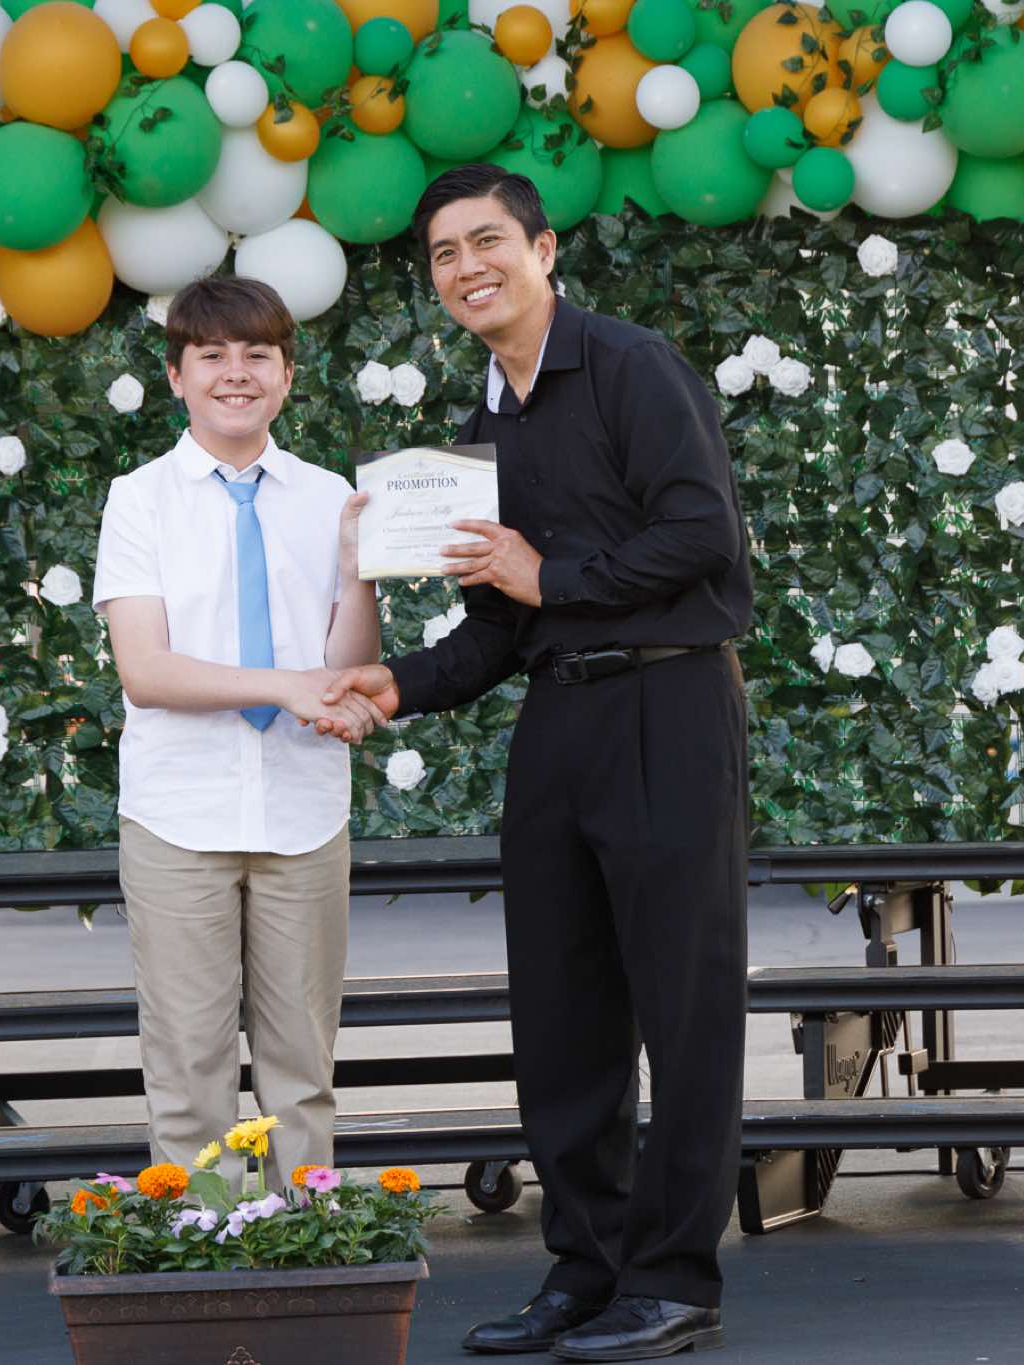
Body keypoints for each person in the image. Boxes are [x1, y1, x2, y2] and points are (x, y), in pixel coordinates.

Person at [320, 165, 753, 1362]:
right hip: (557, 720)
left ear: (543, 249)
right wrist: (396, 685)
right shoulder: (479, 432)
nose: (467, 267)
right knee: (561, 1013)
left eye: (487, 241)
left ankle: (672, 1281)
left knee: (684, 1006)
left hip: (668, 701)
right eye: (443, 254)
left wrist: (548, 574)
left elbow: (701, 534)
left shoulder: (630, 366)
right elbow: (497, 627)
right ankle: (586, 1269)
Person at [92, 275, 386, 1189]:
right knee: (190, 1075)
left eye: (258, 354)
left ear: (287, 375)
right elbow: (146, 670)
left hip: (305, 812)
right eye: (212, 355)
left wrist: (358, 575)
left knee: (304, 1074)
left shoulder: (331, 497)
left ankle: (310, 1247)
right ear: (176, 376)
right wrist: (287, 686)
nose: (236, 373)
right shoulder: (140, 499)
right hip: (179, 817)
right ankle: (204, 1247)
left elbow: (347, 668)